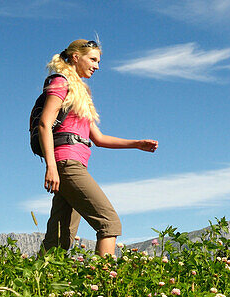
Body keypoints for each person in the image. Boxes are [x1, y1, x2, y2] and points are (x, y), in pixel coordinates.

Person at [36, 39, 157, 256]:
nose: (97, 66)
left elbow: (99, 138)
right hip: (66, 162)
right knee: (109, 222)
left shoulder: (82, 93)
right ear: (75, 57)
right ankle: (103, 283)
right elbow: (45, 123)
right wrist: (51, 167)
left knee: (59, 239)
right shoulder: (60, 82)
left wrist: (136, 144)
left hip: (72, 164)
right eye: (92, 59)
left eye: (98, 61)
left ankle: (36, 281)